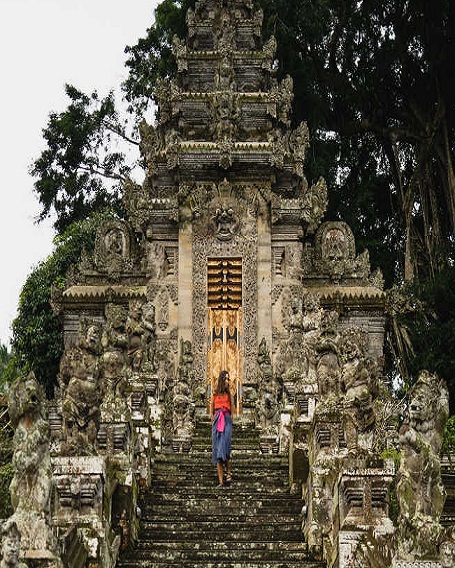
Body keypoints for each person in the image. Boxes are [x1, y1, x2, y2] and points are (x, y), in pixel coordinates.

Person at [211, 370, 233, 487]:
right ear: (221, 380)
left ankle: (228, 472)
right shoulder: (215, 395)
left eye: (228, 379)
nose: (227, 382)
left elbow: (232, 412)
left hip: (227, 420)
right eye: (225, 379)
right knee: (217, 450)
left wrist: (228, 422)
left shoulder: (229, 395)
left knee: (224, 447)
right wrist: (214, 422)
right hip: (217, 421)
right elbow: (212, 411)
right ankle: (221, 481)